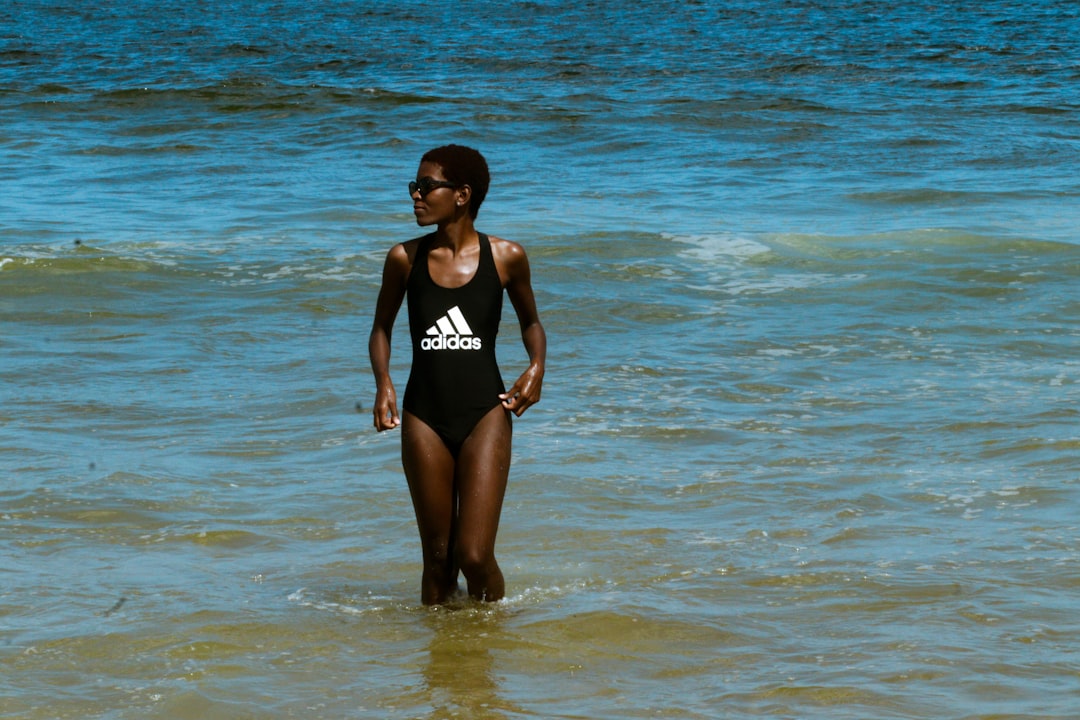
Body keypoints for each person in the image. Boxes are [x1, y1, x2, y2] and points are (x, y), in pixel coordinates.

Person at [368, 145, 546, 606]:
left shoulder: (506, 257)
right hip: (423, 415)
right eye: (414, 187)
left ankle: (489, 647)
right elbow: (381, 328)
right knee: (438, 559)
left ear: (462, 194)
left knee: (474, 554)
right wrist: (383, 382)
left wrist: (537, 368)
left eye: (426, 187)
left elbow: (531, 323)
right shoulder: (404, 259)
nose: (415, 196)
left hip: (485, 412)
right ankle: (443, 666)